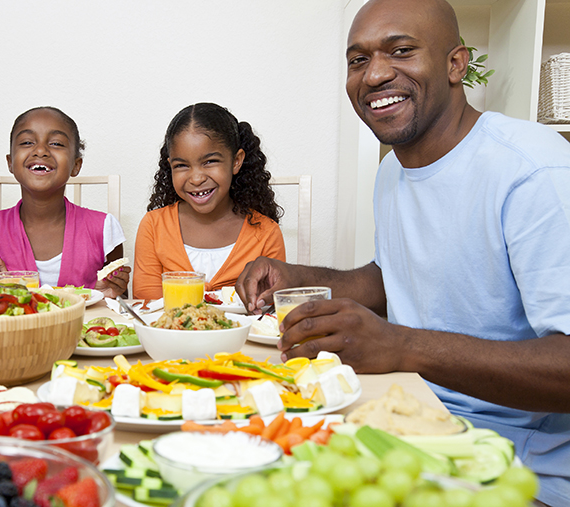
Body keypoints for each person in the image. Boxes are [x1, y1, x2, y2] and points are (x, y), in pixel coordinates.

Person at [236, 0, 570, 503]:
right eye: (357, 60)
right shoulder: (393, 169)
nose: (374, 75)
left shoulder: (534, 172)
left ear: (457, 64)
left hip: (509, 467)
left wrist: (400, 346)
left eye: (401, 51)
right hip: (402, 421)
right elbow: (397, 276)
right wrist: (297, 275)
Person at [0, 106, 130, 297]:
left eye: (57, 144)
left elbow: (120, 304)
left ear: (76, 166)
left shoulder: (104, 229)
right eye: (27, 142)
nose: (41, 151)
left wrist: (111, 294)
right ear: (10, 162)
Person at [133, 102, 285, 300]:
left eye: (210, 162)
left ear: (236, 161)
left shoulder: (266, 233)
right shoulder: (154, 226)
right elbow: (146, 304)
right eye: (181, 165)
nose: (196, 179)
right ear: (170, 166)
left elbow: (269, 310)